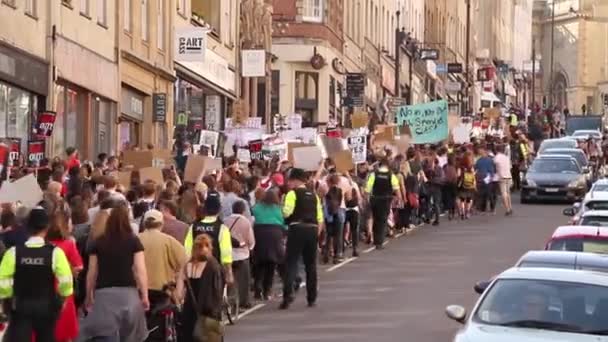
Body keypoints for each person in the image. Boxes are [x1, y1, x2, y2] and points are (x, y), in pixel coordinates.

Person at [0, 206, 73, 342]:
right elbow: (67, 282)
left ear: (27, 227)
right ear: (46, 228)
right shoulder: (55, 253)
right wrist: (61, 301)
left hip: (21, 307)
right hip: (46, 307)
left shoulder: (13, 253)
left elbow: (2, 282)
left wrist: (7, 301)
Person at [79, 202, 149, 341]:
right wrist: (145, 294)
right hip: (128, 293)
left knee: (104, 334)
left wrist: (88, 295)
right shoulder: (134, 241)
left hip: (104, 293)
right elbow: (140, 270)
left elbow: (92, 273)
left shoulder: (98, 242)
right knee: (130, 335)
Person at [280, 168, 324, 310]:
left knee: (291, 262)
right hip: (312, 229)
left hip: (297, 228)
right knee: (310, 265)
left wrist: (283, 207)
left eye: (290, 181)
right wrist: (317, 233)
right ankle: (312, 298)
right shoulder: (314, 196)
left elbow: (287, 213)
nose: (288, 183)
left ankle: (288, 296)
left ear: (296, 180)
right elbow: (320, 218)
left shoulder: (292, 194)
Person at [176, 234, 224, 342]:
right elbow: (218, 289)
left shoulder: (186, 266)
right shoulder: (214, 266)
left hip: (189, 311)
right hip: (209, 311)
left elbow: (179, 294)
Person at [47, 200, 83, 342]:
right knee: (64, 333)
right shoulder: (68, 244)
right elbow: (78, 266)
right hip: (63, 293)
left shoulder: (41, 244)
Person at [184, 193, 234, 286]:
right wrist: (229, 273)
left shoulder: (193, 227)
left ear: (205, 209)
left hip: (195, 271)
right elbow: (226, 253)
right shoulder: (222, 228)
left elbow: (187, 250)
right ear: (219, 209)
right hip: (215, 271)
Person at [138, 209, 187, 294]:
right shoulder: (169, 241)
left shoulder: (135, 240)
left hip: (138, 290)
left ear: (144, 223)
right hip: (162, 292)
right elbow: (185, 262)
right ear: (161, 224)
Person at [251, 189, 286, 301]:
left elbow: (252, 219)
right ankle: (267, 291)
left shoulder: (256, 207)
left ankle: (257, 288)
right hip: (275, 233)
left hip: (259, 232)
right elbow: (284, 223)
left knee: (260, 262)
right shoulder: (278, 209)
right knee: (272, 263)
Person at [223, 201, 255, 309]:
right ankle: (244, 301)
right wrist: (250, 248)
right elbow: (251, 241)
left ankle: (227, 299)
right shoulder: (246, 222)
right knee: (244, 279)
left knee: (228, 277)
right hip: (242, 255)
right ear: (243, 210)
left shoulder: (225, 221)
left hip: (227, 254)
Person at [365, 158, 400, 249]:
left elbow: (368, 188)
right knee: (383, 220)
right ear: (388, 165)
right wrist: (398, 198)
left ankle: (375, 238)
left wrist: (366, 198)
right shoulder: (391, 175)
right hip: (386, 200)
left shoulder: (374, 174)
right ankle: (379, 242)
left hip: (375, 199)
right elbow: (396, 188)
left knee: (376, 219)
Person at [494, 144, 513, 216]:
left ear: (496, 150)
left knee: (504, 193)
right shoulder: (506, 157)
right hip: (509, 176)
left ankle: (507, 209)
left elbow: (495, 167)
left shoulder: (496, 158)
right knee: (508, 193)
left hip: (501, 176)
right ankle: (510, 207)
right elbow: (510, 167)